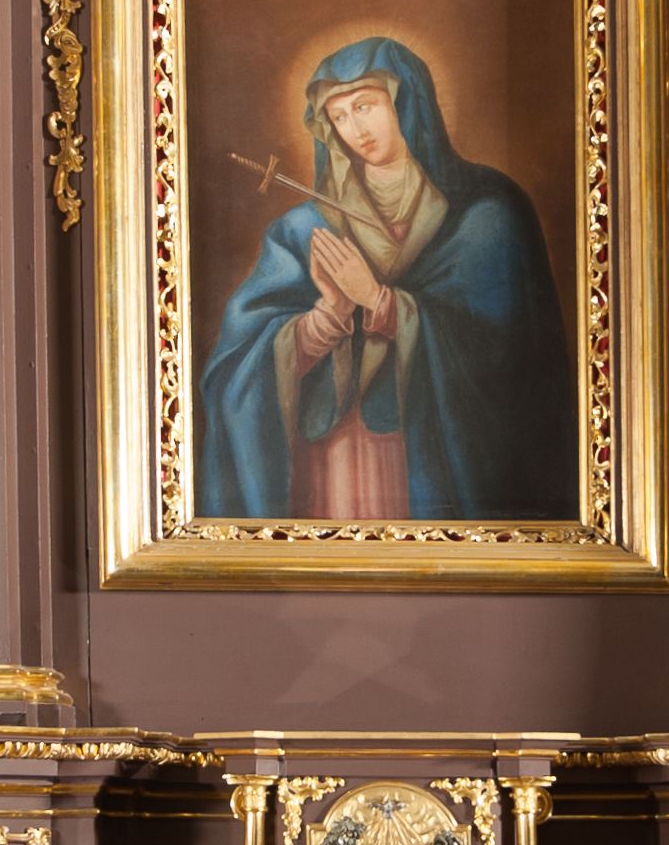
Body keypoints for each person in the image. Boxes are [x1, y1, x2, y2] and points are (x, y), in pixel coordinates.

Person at [196, 36, 576, 520]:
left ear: (407, 101)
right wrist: (328, 315)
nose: (356, 130)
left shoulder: (487, 211)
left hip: (436, 462)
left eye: (365, 106)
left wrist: (381, 302)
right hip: (334, 465)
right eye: (339, 116)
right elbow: (235, 372)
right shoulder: (303, 230)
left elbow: (516, 358)